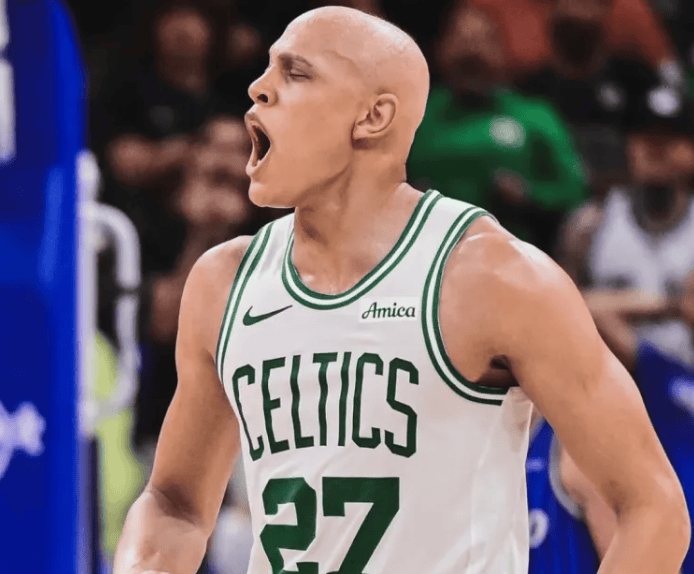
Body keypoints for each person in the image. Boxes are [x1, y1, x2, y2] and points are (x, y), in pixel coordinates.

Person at [114, 7, 689, 574]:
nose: (258, 89)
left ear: (373, 116)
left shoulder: (492, 277)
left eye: (295, 73)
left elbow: (655, 507)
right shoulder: (224, 283)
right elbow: (174, 504)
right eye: (266, 70)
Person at [407, 3, 587, 254]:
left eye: (483, 43)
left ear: (502, 52)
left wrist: (531, 196)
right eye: (462, 44)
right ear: (441, 51)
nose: (472, 51)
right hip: (425, 252)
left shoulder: (534, 115)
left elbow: (575, 189)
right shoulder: (414, 114)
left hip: (515, 253)